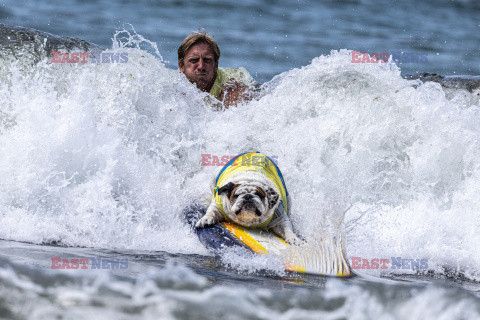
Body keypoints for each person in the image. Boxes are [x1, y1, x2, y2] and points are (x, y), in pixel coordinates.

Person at [178, 31, 254, 107]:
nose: (201, 66)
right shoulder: (173, 82)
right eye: (194, 60)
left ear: (216, 66)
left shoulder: (231, 84)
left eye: (207, 60)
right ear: (181, 66)